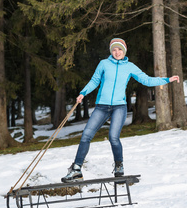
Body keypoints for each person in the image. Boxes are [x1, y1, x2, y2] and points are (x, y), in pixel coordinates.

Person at [61, 38, 180, 183]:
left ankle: (119, 166)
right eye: (114, 50)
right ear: (111, 51)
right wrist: (83, 93)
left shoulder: (130, 67)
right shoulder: (104, 64)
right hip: (102, 107)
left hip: (119, 107)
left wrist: (167, 79)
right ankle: (76, 169)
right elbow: (94, 80)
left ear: (124, 51)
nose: (117, 52)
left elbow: (147, 80)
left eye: (120, 49)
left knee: (113, 137)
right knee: (86, 135)